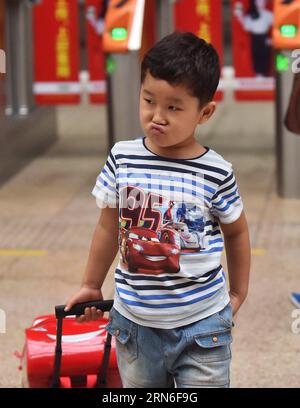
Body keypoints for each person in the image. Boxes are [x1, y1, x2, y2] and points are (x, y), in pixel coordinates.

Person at [65, 32, 251, 388]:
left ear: (205, 113)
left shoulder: (216, 171)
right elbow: (108, 228)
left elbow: (237, 232)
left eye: (174, 107)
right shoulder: (123, 157)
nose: (157, 116)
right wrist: (91, 284)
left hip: (203, 324)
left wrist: (239, 293)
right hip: (134, 324)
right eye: (149, 100)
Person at [234, 0, 273, 77]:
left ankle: (264, 73)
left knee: (265, 55)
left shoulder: (268, 14)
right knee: (256, 55)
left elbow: (276, 25)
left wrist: (271, 39)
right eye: (259, 1)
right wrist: (240, 16)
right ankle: (258, 73)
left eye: (263, 1)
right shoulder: (251, 15)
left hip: (264, 37)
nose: (261, 3)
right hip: (255, 37)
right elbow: (247, 26)